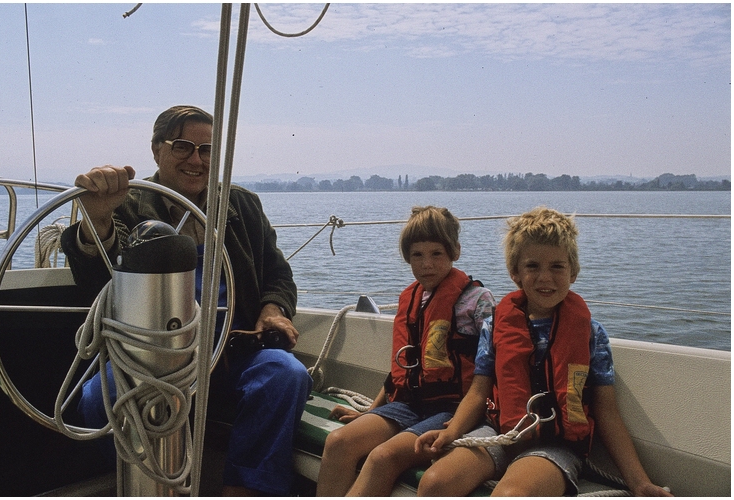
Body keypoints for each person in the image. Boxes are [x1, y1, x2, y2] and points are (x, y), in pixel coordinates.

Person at [59, 105, 313, 496]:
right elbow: (96, 282)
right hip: (148, 360)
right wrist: (97, 220)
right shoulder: (124, 205)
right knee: (97, 400)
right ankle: (142, 485)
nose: (197, 160)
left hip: (233, 349)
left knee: (286, 375)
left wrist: (272, 310)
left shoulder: (242, 206)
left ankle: (246, 488)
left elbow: (278, 275)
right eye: (183, 147)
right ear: (156, 150)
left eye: (207, 150)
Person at [414, 207, 673, 497]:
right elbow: (477, 393)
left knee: (509, 496)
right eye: (533, 266)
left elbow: (606, 411)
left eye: (557, 267)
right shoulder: (494, 326)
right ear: (516, 274)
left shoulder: (591, 334)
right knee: (434, 483)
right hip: (500, 432)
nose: (544, 278)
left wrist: (639, 482)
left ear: (573, 272)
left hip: (556, 444)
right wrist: (451, 433)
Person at [315, 206, 496, 496]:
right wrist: (371, 411)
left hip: (452, 409)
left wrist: (463, 421)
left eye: (437, 254)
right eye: (417, 255)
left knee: (382, 457)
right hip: (407, 404)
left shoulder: (477, 300)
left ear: (455, 252)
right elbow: (402, 367)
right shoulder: (411, 299)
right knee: (338, 442)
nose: (427, 264)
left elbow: (489, 369)